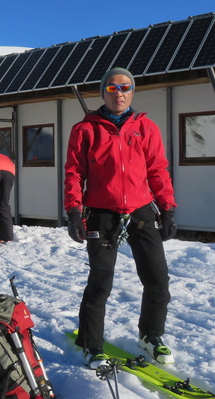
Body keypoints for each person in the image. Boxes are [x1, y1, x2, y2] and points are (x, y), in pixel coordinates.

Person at [64, 67, 178, 369]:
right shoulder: (85, 129)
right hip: (101, 212)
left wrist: (167, 208)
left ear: (132, 92)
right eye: (112, 88)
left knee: (157, 279)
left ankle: (150, 336)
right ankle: (91, 344)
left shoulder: (146, 127)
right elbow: (74, 173)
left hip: (141, 211)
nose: (120, 93)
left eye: (125, 87)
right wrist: (74, 211)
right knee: (101, 281)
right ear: (103, 92)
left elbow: (157, 170)